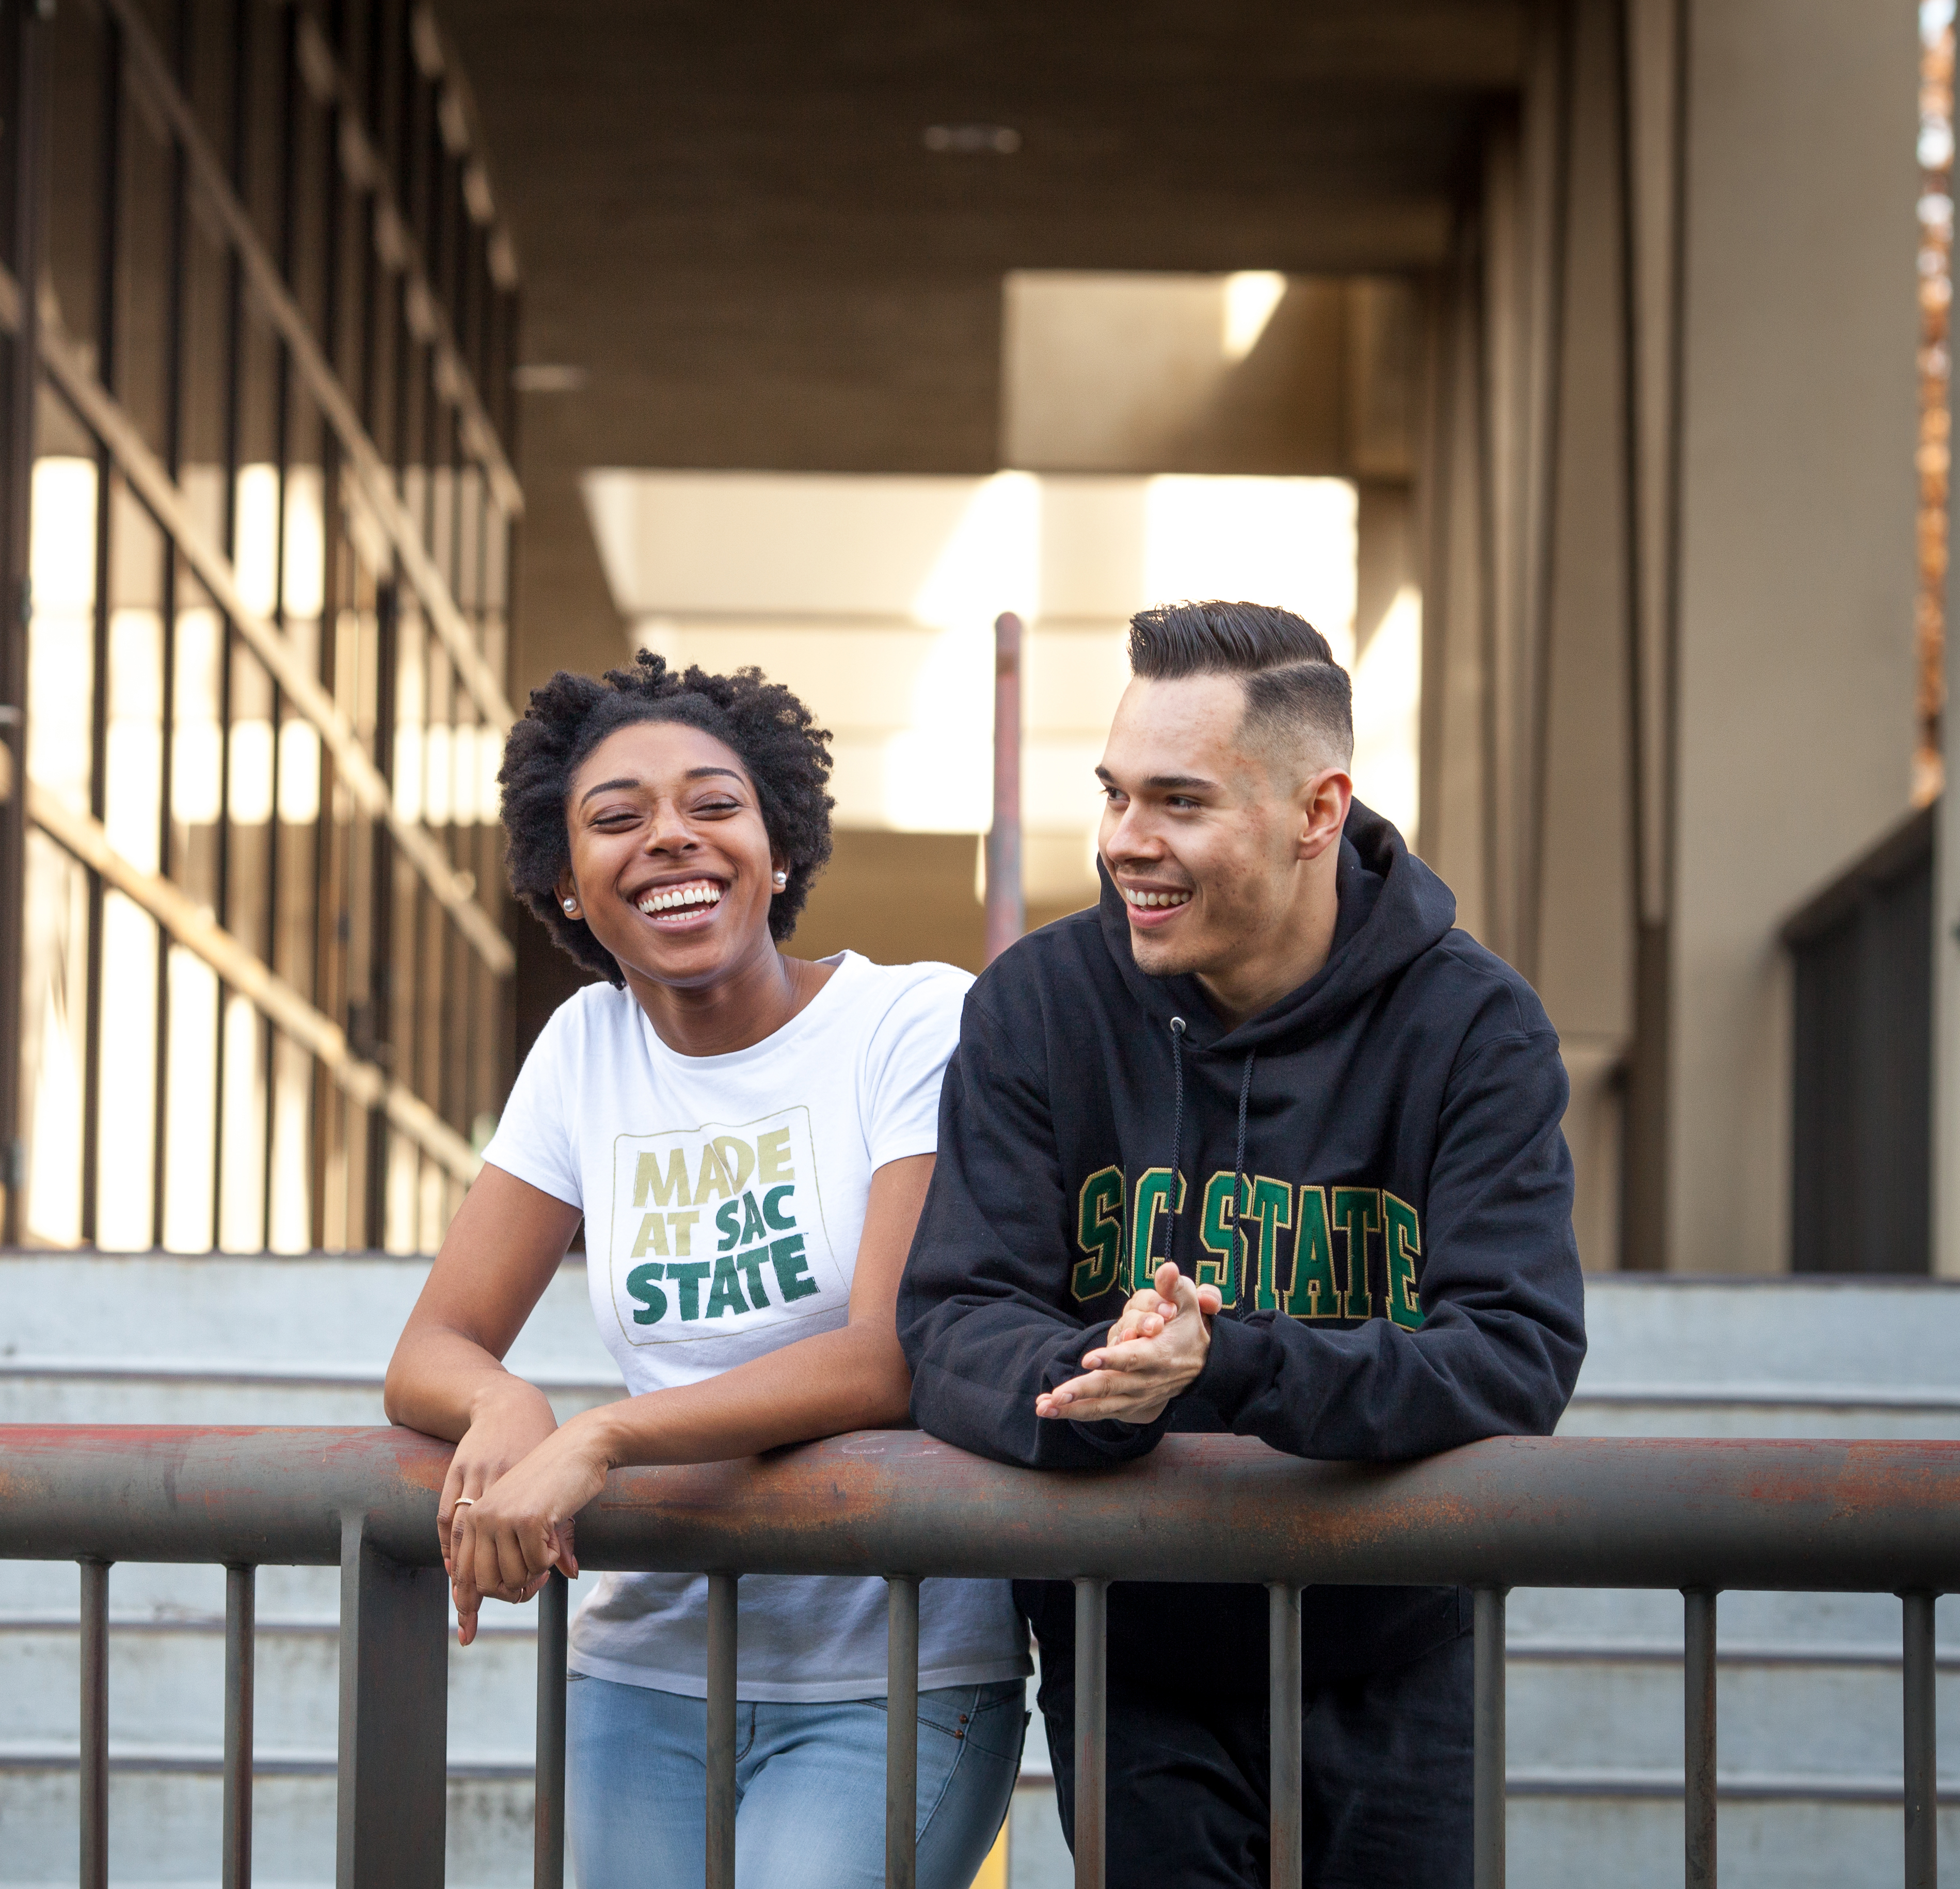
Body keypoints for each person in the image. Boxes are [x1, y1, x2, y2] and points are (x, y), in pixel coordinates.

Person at [897, 601, 1586, 1888]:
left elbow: (1517, 1354)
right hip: (1130, 1654)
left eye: (1178, 802)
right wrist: (1105, 1381)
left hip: (1397, 1656)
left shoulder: (1476, 1027)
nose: (1124, 844)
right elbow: (952, 1318)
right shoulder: (1039, 1006)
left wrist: (1227, 1366)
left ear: (1318, 811)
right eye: (1113, 795)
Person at [385, 653, 1027, 1889]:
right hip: (646, 1666)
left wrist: (605, 1438)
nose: (671, 840)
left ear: (777, 845)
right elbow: (433, 1346)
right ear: (568, 887)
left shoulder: (911, 1024)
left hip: (889, 1664)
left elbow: (889, 1351)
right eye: (617, 821)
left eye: (714, 805)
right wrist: (507, 1404)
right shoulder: (585, 1049)